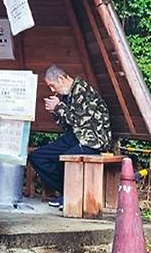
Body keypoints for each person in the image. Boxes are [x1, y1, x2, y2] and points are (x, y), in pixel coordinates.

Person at [27, 65, 112, 208]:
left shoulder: (83, 91)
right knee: (38, 157)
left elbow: (79, 120)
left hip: (93, 140)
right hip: (75, 137)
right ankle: (67, 192)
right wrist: (55, 111)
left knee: (66, 157)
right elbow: (67, 125)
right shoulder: (68, 95)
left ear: (61, 79)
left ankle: (71, 196)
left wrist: (58, 107)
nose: (52, 90)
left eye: (52, 86)